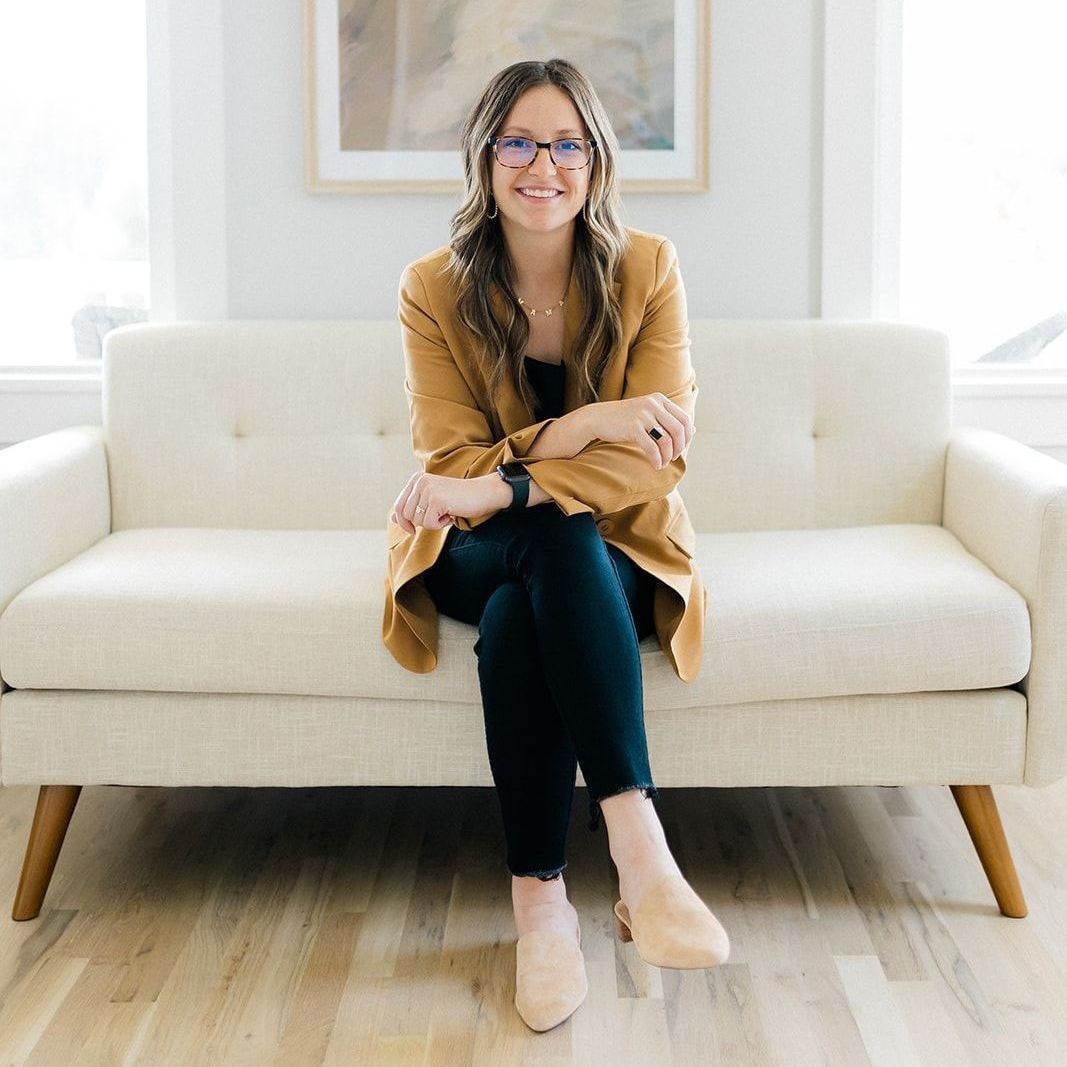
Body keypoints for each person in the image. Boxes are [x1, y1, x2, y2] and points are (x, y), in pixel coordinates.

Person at [384, 58, 729, 1032]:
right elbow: (446, 466)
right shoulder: (431, 290)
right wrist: (581, 429)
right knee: (541, 539)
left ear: (596, 161)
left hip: (601, 547)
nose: (544, 164)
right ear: (485, 159)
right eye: (520, 142)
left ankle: (540, 909)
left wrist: (511, 478)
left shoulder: (646, 269)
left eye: (567, 142)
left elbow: (657, 458)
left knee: (533, 589)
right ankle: (641, 857)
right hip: (465, 545)